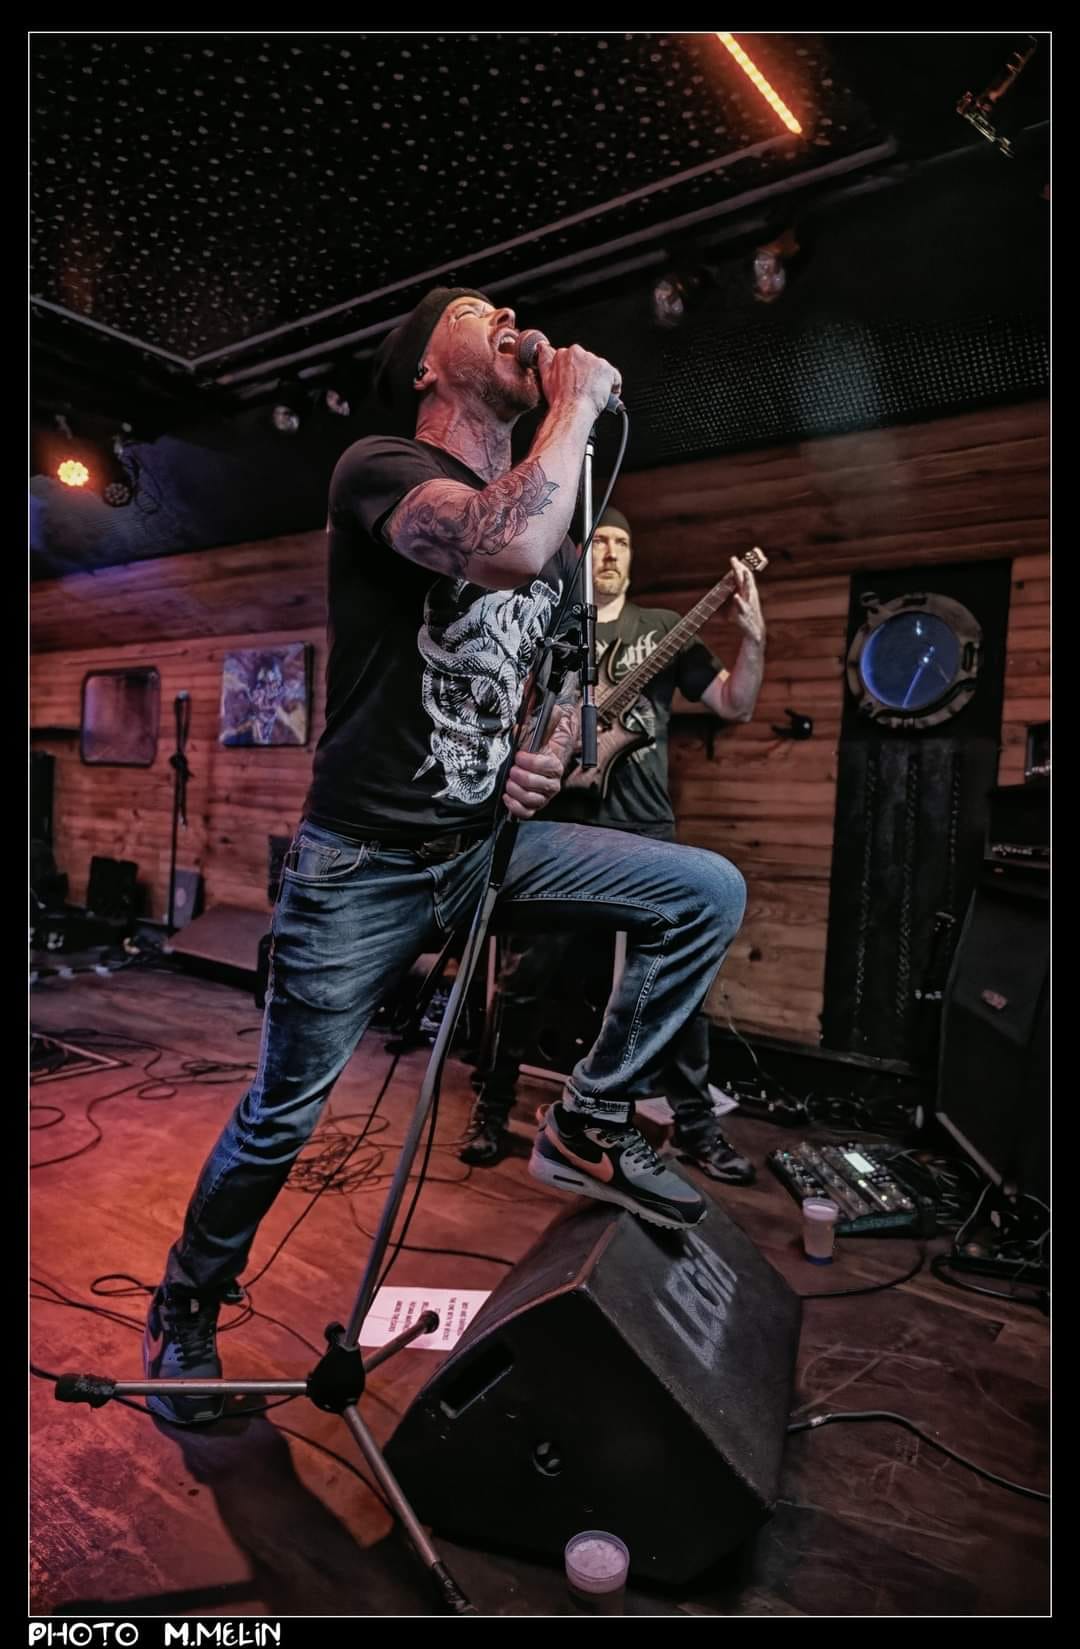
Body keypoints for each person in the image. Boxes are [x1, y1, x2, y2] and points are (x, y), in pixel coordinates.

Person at [143, 288, 746, 1424]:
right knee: (282, 1115)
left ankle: (591, 1118)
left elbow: (551, 700)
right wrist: (576, 404)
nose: (511, 313)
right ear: (426, 365)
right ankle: (185, 1305)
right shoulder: (381, 469)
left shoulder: (559, 540)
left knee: (705, 890)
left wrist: (539, 755)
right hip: (358, 864)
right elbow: (501, 543)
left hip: (481, 850)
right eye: (477, 310)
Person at [461, 506, 765, 1184]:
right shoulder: (553, 627)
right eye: (600, 541)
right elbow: (509, 714)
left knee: (678, 984)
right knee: (522, 978)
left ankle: (695, 1125)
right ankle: (493, 1104)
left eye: (623, 544)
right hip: (559, 825)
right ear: (583, 553)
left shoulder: (662, 627)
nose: (611, 553)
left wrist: (754, 639)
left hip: (644, 824)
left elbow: (735, 703)